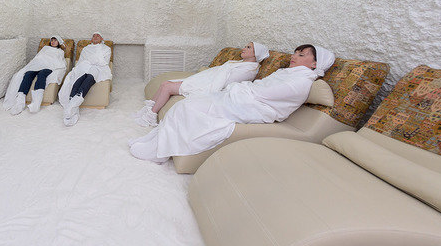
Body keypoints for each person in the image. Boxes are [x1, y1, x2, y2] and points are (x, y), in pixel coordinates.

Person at [128, 44, 335, 163]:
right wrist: (241, 89)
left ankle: (160, 152)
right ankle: (157, 145)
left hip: (252, 107)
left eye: (301, 54)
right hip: (244, 98)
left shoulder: (301, 82)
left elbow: (264, 94)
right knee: (186, 105)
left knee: (188, 108)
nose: (294, 56)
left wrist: (240, 89)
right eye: (296, 52)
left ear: (315, 63)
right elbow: (260, 88)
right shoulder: (287, 73)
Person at [133, 42, 269, 127]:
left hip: (208, 86)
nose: (244, 48)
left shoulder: (249, 71)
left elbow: (227, 83)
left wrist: (208, 87)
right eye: (245, 46)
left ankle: (151, 116)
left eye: (248, 47)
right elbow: (220, 72)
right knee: (165, 84)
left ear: (255, 54)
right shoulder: (241, 63)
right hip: (206, 79)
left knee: (167, 86)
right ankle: (148, 110)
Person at [58, 32, 112, 126]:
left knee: (89, 77)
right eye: (93, 36)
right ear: (91, 39)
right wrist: (89, 62)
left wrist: (92, 60)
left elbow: (104, 61)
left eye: (98, 36)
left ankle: (72, 105)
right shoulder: (86, 49)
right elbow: (82, 61)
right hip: (84, 67)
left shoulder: (106, 49)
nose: (95, 37)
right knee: (77, 81)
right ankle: (73, 107)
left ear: (101, 39)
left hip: (98, 68)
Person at [3, 36, 67, 115]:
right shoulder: (45, 48)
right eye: (52, 40)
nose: (53, 42)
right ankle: (20, 102)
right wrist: (38, 63)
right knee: (28, 74)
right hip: (38, 65)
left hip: (49, 66)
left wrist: (48, 63)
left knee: (42, 74)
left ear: (58, 42)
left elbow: (58, 61)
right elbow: (39, 57)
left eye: (55, 40)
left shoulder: (60, 51)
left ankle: (36, 102)